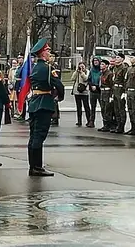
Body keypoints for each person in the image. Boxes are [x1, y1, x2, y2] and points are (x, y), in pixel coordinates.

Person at [26, 39, 64, 177]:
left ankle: (33, 165)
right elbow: (59, 85)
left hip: (34, 102)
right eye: (47, 51)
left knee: (33, 136)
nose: (49, 53)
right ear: (42, 53)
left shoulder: (35, 67)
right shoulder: (48, 68)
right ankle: (37, 167)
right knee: (39, 136)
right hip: (44, 103)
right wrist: (60, 97)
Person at [124, 53, 135, 135]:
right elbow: (126, 80)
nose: (131, 59)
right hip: (129, 90)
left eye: (132, 57)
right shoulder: (129, 68)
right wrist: (125, 91)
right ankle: (132, 126)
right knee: (130, 110)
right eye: (130, 57)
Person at [71, 61, 91, 127]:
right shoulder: (77, 72)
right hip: (77, 92)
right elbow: (72, 79)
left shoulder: (87, 72)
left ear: (85, 66)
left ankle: (89, 120)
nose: (81, 68)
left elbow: (86, 79)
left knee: (86, 107)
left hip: (84, 92)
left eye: (83, 66)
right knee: (78, 107)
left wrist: (82, 73)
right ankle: (79, 121)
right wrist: (76, 72)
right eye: (80, 66)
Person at [86, 57, 101, 128]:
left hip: (100, 91)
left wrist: (97, 86)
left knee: (103, 107)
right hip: (92, 91)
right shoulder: (92, 70)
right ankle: (91, 121)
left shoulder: (101, 70)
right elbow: (89, 79)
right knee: (92, 107)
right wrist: (91, 85)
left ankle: (106, 122)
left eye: (97, 61)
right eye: (94, 61)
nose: (95, 62)